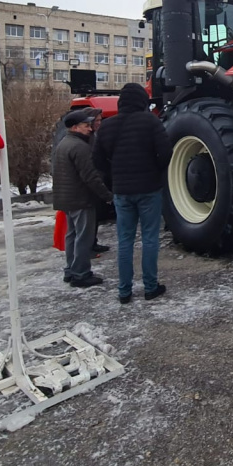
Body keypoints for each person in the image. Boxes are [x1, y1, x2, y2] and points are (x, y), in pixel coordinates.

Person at [93, 83, 173, 305]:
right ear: (141, 101)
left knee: (125, 241)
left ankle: (124, 291)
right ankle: (150, 287)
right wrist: (155, 170)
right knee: (149, 239)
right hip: (149, 190)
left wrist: (114, 177)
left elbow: (97, 160)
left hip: (122, 192)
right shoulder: (150, 121)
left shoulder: (107, 127)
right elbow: (166, 151)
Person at [52, 108, 113, 288]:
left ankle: (71, 271)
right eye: (86, 125)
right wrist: (107, 196)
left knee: (72, 235)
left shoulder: (64, 143)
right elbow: (90, 176)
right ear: (75, 127)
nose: (90, 128)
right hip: (80, 199)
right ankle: (81, 274)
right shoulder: (80, 147)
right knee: (84, 237)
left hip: (67, 199)